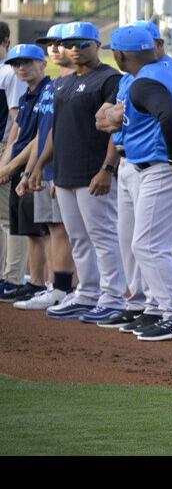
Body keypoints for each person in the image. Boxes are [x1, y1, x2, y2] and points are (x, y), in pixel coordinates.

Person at [93, 20, 172, 333]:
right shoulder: (169, 71)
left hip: (163, 168)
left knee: (149, 246)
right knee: (166, 243)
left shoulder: (145, 81)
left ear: (121, 56)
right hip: (163, 166)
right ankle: (158, 308)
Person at [45, 21, 128, 324]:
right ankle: (88, 293)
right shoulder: (63, 82)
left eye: (83, 44)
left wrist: (107, 168)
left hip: (94, 171)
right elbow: (58, 130)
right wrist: (51, 170)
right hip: (66, 172)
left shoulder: (110, 79)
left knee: (103, 236)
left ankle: (113, 297)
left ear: (97, 45)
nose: (76, 50)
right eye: (70, 45)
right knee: (79, 238)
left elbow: (115, 131)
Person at [17, 24, 77, 312]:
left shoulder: (75, 83)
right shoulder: (53, 87)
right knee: (54, 228)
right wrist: (31, 171)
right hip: (48, 168)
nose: (53, 48)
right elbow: (42, 135)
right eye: (50, 44)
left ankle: (64, 288)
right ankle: (58, 286)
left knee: (64, 230)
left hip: (66, 168)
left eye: (59, 43)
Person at [0, 45, 50, 304]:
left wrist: (16, 168)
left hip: (35, 167)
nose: (21, 68)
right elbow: (15, 137)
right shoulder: (26, 96)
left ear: (42, 64)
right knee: (24, 228)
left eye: (28, 63)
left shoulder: (47, 93)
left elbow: (39, 139)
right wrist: (4, 165)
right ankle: (31, 281)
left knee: (39, 229)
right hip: (21, 165)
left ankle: (38, 282)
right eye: (17, 64)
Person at [0, 21, 29, 301]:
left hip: (4, 148)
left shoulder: (11, 72)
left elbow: (16, 119)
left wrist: (8, 160)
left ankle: (13, 277)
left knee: (8, 218)